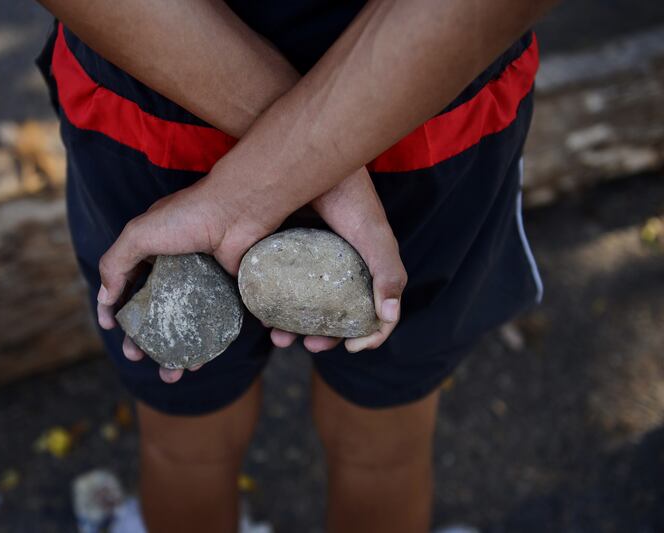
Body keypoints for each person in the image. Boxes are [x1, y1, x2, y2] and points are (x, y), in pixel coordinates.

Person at [34, 1, 555, 531]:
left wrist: (272, 179)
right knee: (383, 447)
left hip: (160, 105)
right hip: (416, 106)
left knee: (187, 446)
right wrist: (317, 168)